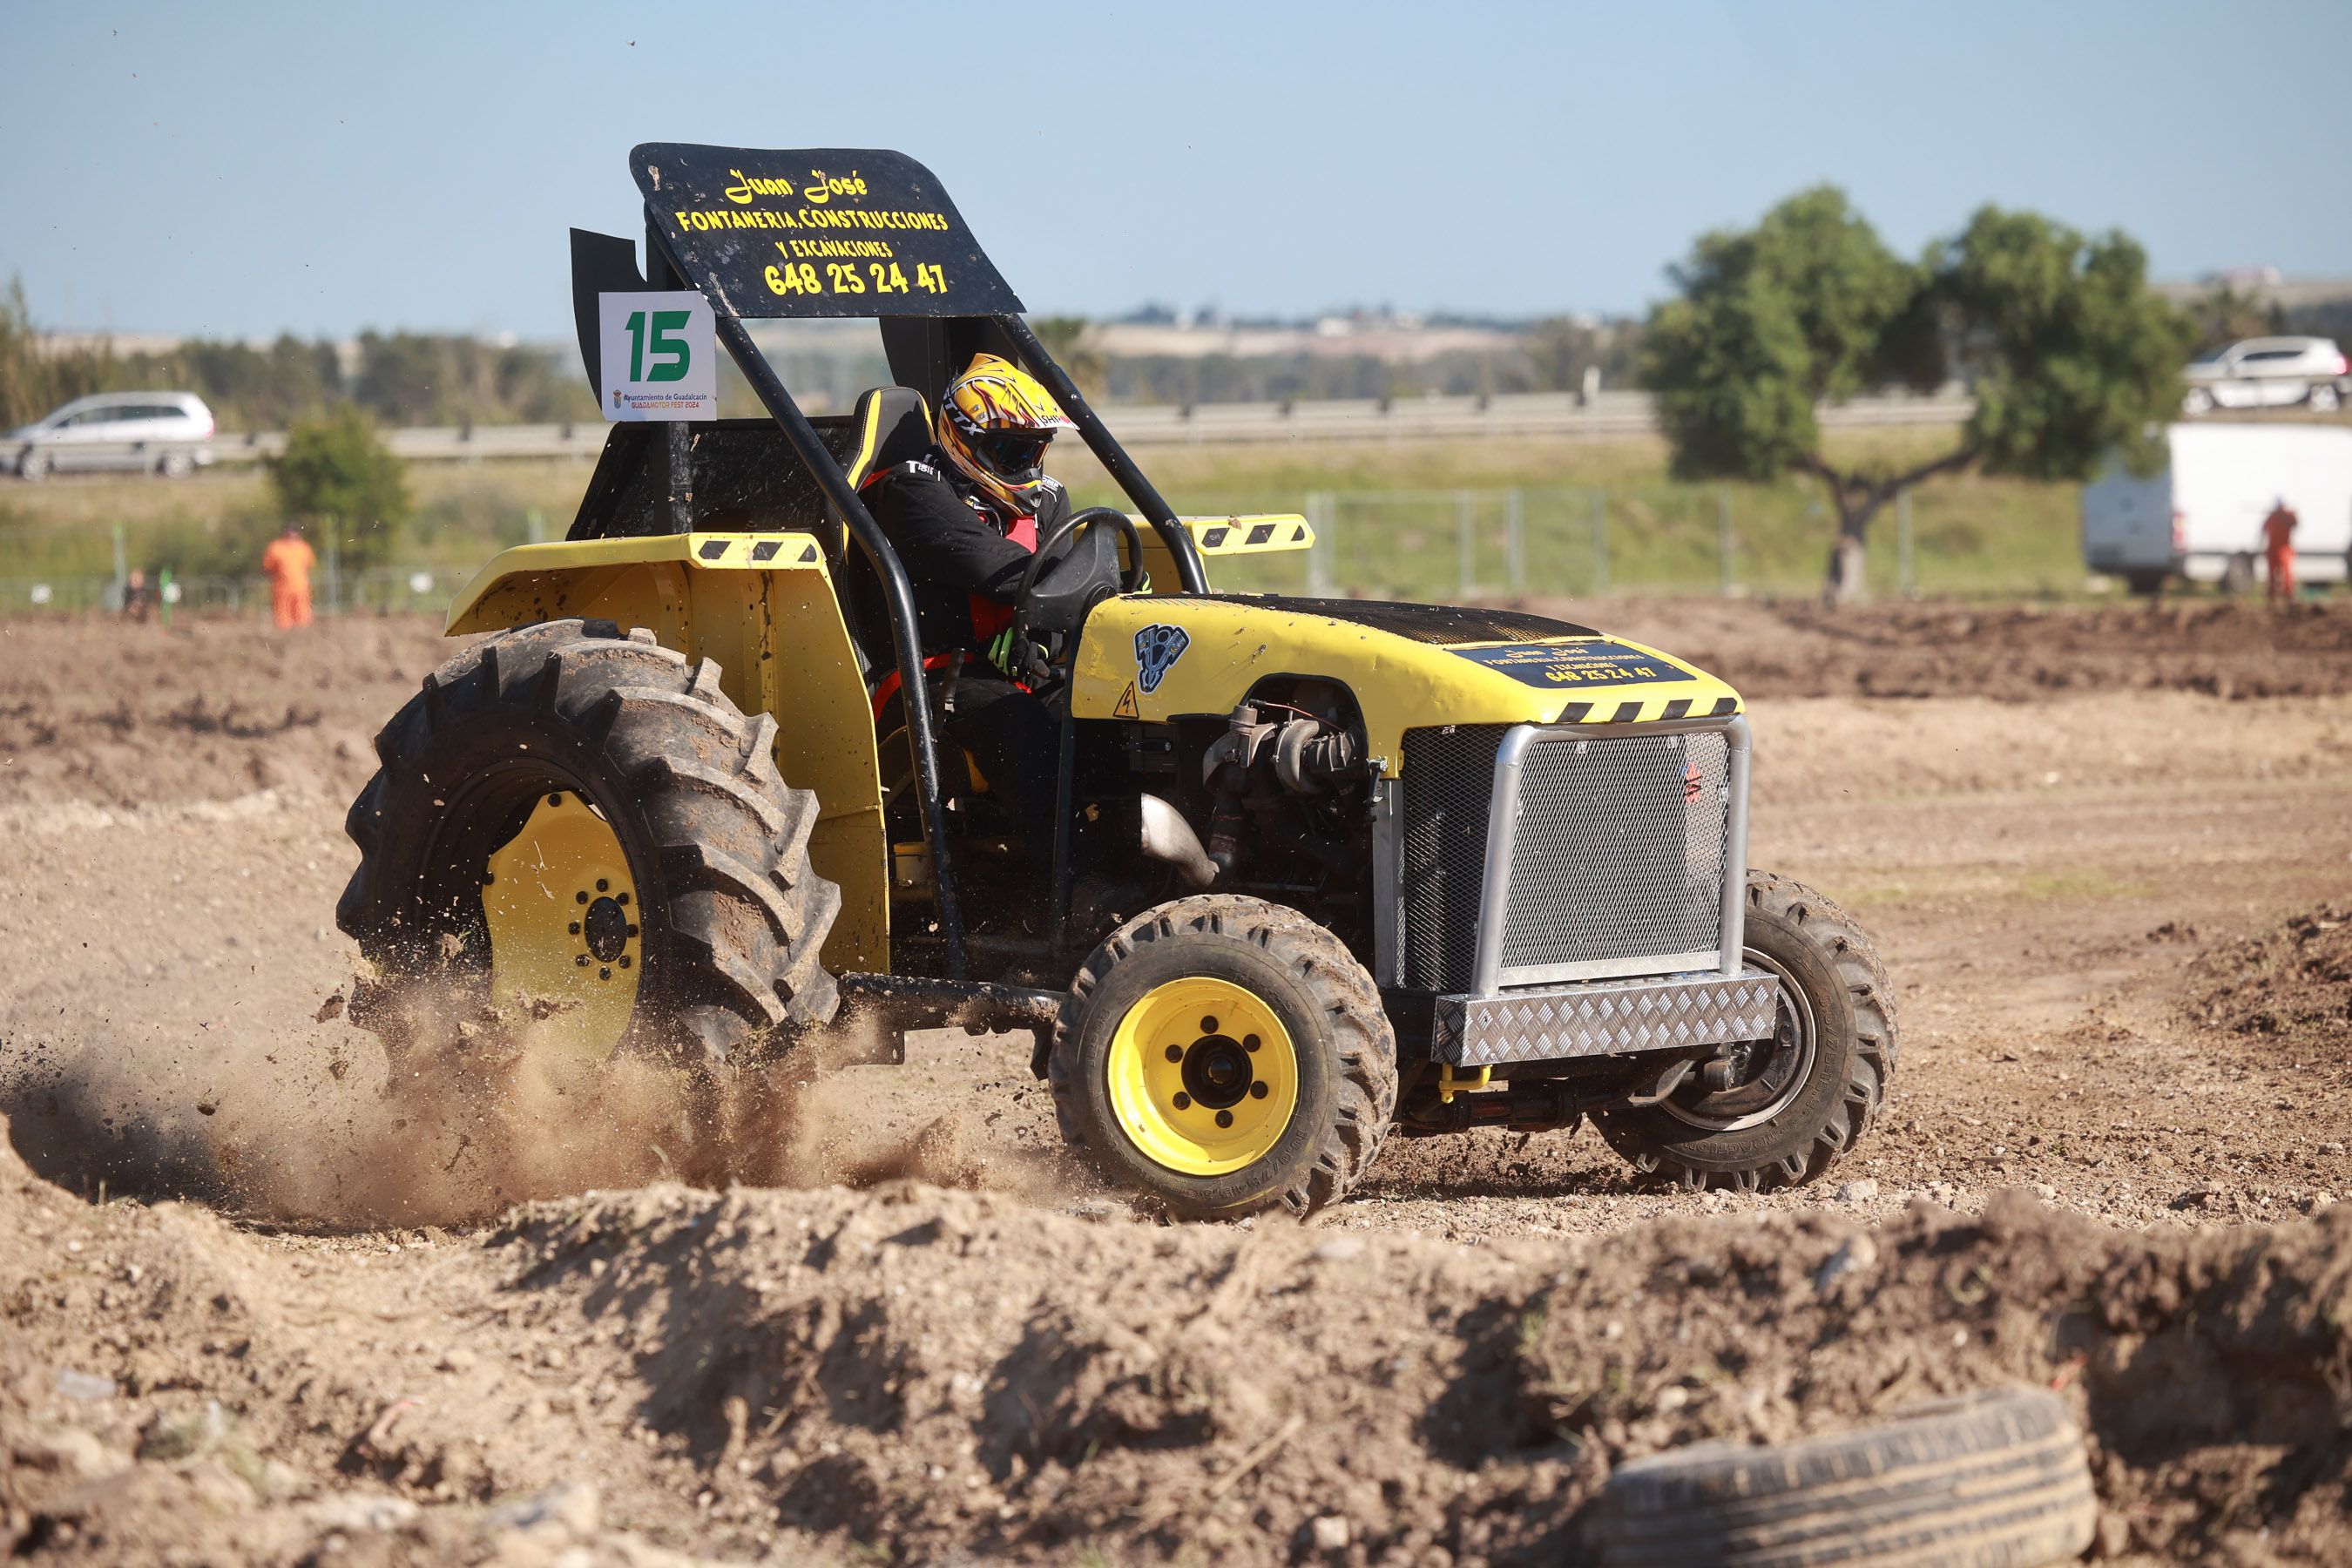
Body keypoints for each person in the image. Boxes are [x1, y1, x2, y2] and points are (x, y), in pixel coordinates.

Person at [860, 353, 1094, 852]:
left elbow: (1063, 594)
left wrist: (1044, 641)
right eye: (1010, 451)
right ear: (962, 439)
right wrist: (1094, 589)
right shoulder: (912, 490)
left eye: (1035, 451)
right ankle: (1070, 883)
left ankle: (1137, 853)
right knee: (1022, 726)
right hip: (926, 681)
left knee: (1107, 722)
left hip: (1019, 677)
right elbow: (1001, 568)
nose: (1027, 467)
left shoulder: (1049, 499)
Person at [260, 524, 316, 629]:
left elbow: (309, 565)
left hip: (301, 588)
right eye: (290, 532)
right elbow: (268, 567)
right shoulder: (276, 548)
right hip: (282, 588)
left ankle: (303, 634)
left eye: (295, 532)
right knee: (283, 618)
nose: (292, 535)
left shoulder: (304, 548)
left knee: (302, 616)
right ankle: (284, 635)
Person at [2261, 497, 2298, 608]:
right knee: (2271, 575)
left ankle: (2288, 595)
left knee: (2287, 573)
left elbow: (2295, 524)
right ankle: (2272, 598)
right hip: (2272, 549)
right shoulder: (2272, 517)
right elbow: (2264, 529)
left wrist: (2289, 515)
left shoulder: (2288, 516)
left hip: (2284, 549)